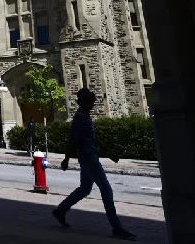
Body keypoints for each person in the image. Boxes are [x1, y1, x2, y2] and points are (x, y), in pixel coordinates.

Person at [51, 87, 137, 241]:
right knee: (106, 190)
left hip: (89, 156)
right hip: (88, 158)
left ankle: (61, 210)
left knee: (85, 189)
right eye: (90, 100)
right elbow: (73, 139)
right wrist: (66, 158)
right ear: (83, 101)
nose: (93, 102)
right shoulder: (80, 117)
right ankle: (117, 228)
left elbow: (92, 139)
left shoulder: (85, 116)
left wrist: (108, 152)